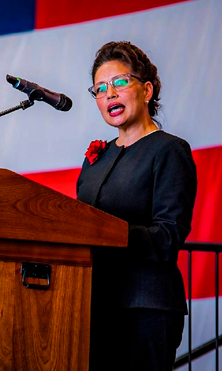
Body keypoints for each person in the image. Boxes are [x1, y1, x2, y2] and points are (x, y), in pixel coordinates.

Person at [76, 41, 197, 371]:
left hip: (145, 308)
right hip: (92, 306)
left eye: (119, 82)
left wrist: (106, 233)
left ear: (146, 90)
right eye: (100, 89)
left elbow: (168, 235)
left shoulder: (169, 150)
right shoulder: (95, 160)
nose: (109, 94)